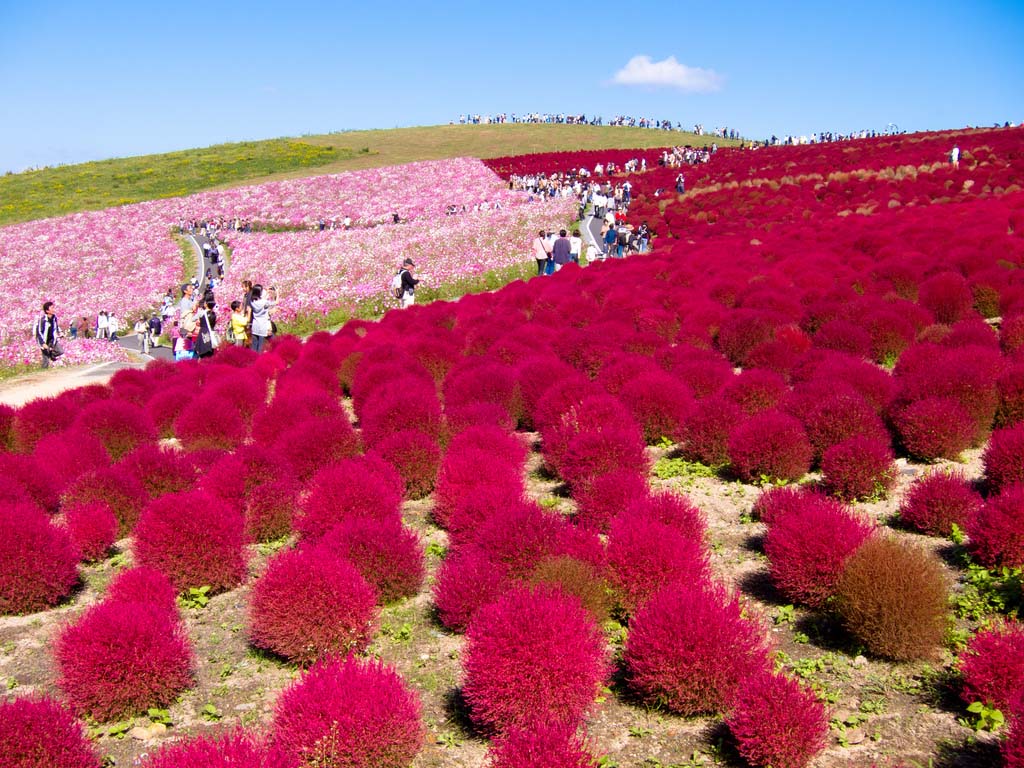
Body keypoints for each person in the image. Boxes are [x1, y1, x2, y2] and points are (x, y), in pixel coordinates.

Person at [34, 301, 63, 369]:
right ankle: (42, 374)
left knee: (60, 351)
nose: (53, 309)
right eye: (52, 308)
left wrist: (60, 332)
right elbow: (39, 332)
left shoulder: (54, 318)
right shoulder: (42, 320)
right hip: (44, 341)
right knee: (45, 361)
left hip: (52, 340)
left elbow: (56, 326)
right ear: (47, 310)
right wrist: (43, 343)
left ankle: (51, 355)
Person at [249, 284, 276, 352]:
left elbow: (261, 300)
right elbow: (276, 302)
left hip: (255, 326)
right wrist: (277, 293)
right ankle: (259, 360)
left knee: (254, 345)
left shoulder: (252, 301)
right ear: (259, 292)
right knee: (260, 346)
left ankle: (252, 359)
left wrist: (267, 292)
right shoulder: (264, 302)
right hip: (262, 326)